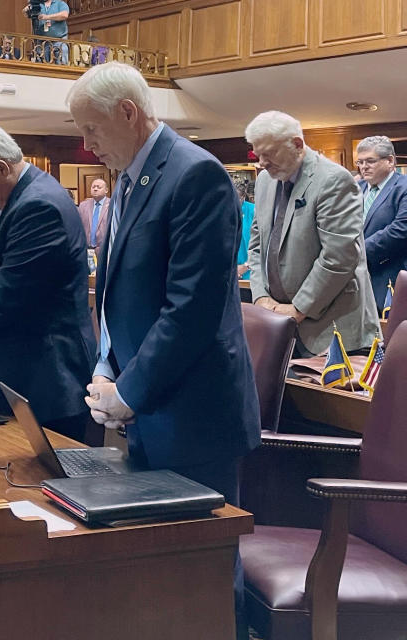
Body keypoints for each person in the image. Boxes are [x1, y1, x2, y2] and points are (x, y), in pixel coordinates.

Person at [69, 62, 260, 640]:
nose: (87, 144)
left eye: (92, 129)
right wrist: (108, 366)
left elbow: (190, 311)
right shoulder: (133, 174)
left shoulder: (194, 174)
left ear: (128, 112)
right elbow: (123, 295)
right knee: (159, 575)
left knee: (201, 573)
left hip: (194, 411)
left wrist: (128, 392)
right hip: (150, 404)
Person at [0, 123, 101, 445]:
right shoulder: (22, 195)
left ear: (1, 168)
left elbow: (10, 291)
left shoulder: (38, 205)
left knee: (52, 484)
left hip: (50, 379)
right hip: (27, 372)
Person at [246, 111, 380, 355]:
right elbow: (257, 246)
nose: (262, 162)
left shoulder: (333, 180)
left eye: (269, 153)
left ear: (297, 144)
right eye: (258, 154)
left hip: (332, 330)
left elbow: (338, 257)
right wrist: (261, 298)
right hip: (276, 324)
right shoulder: (265, 180)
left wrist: (298, 309)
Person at [356, 135, 407, 313]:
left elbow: (400, 230)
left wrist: (355, 251)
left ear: (390, 160)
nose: (363, 167)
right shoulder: (356, 189)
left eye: (370, 161)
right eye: (360, 162)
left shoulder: (403, 187)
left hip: (389, 278)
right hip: (355, 282)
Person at [26, 0, 69, 64]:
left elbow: (64, 15)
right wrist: (27, 9)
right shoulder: (38, 4)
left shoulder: (59, 3)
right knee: (43, 66)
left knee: (62, 64)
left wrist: (47, 17)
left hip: (59, 40)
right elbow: (26, 14)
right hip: (42, 42)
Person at [77, 177, 109, 250]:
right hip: (86, 248)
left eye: (99, 187)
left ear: (106, 190)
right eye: (93, 187)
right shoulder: (83, 205)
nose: (95, 189)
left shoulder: (112, 205)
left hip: (104, 249)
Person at [234, 177, 254, 280]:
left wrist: (246, 266)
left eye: (237, 197)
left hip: (250, 271)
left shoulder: (253, 210)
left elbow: (261, 245)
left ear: (243, 197)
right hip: (230, 274)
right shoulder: (222, 211)